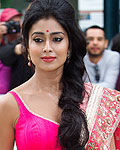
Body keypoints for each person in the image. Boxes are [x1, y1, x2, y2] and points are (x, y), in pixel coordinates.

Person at [0, 0, 120, 149]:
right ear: (27, 45)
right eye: (38, 40)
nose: (47, 48)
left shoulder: (99, 100)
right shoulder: (9, 104)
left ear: (69, 46)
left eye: (57, 39)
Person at [0, 8, 34, 94]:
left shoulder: (26, 41)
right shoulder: (3, 44)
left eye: (18, 22)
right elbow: (3, 55)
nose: (15, 25)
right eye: (11, 23)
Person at [84, 25, 120, 89]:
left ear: (106, 43)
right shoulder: (80, 58)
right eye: (90, 39)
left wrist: (84, 87)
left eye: (99, 39)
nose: (95, 43)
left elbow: (110, 86)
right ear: (84, 42)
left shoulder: (113, 57)